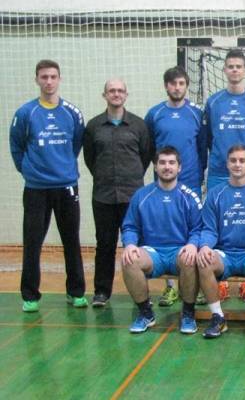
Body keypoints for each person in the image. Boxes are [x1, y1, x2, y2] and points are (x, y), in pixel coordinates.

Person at [10, 59, 87, 312]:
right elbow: (16, 146)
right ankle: (30, 295)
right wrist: (29, 171)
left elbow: (76, 145)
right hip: (36, 189)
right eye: (44, 77)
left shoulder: (72, 113)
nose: (49, 82)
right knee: (32, 242)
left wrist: (63, 168)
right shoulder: (26, 113)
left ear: (59, 79)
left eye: (53, 77)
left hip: (67, 187)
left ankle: (76, 292)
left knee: (71, 240)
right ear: (37, 80)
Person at [83, 78, 152, 307]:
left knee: (136, 246)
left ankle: (141, 294)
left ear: (126, 95)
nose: (116, 94)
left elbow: (145, 156)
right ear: (104, 95)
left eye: (120, 90)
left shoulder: (139, 125)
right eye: (111, 91)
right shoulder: (93, 126)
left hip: (132, 197)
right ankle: (102, 292)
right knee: (105, 245)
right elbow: (90, 159)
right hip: (103, 196)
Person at [120, 147, 202, 334]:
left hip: (179, 251)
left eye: (172, 163)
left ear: (179, 167)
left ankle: (188, 314)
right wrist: (130, 244)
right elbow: (130, 226)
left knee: (191, 259)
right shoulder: (141, 195)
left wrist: (192, 244)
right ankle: (145, 313)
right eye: (162, 163)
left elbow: (198, 229)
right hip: (152, 252)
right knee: (129, 260)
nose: (167, 167)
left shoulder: (189, 197)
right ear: (155, 167)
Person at [145, 66, 206, 307]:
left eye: (181, 83)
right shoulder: (155, 114)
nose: (177, 88)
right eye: (173, 83)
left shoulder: (196, 113)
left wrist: (198, 172)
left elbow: (203, 146)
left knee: (192, 230)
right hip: (163, 183)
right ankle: (170, 287)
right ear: (166, 86)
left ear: (186, 86)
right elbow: (149, 147)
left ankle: (193, 287)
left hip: (190, 180)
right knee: (166, 230)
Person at [196, 145, 245, 338]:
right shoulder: (215, 194)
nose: (237, 164)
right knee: (204, 261)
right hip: (224, 254)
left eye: (242, 160)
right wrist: (205, 246)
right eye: (233, 160)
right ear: (227, 164)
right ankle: (218, 317)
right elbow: (209, 229)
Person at [204, 49, 245, 191]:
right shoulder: (213, 102)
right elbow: (208, 137)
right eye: (231, 66)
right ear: (224, 70)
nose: (235, 70)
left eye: (238, 66)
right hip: (219, 171)